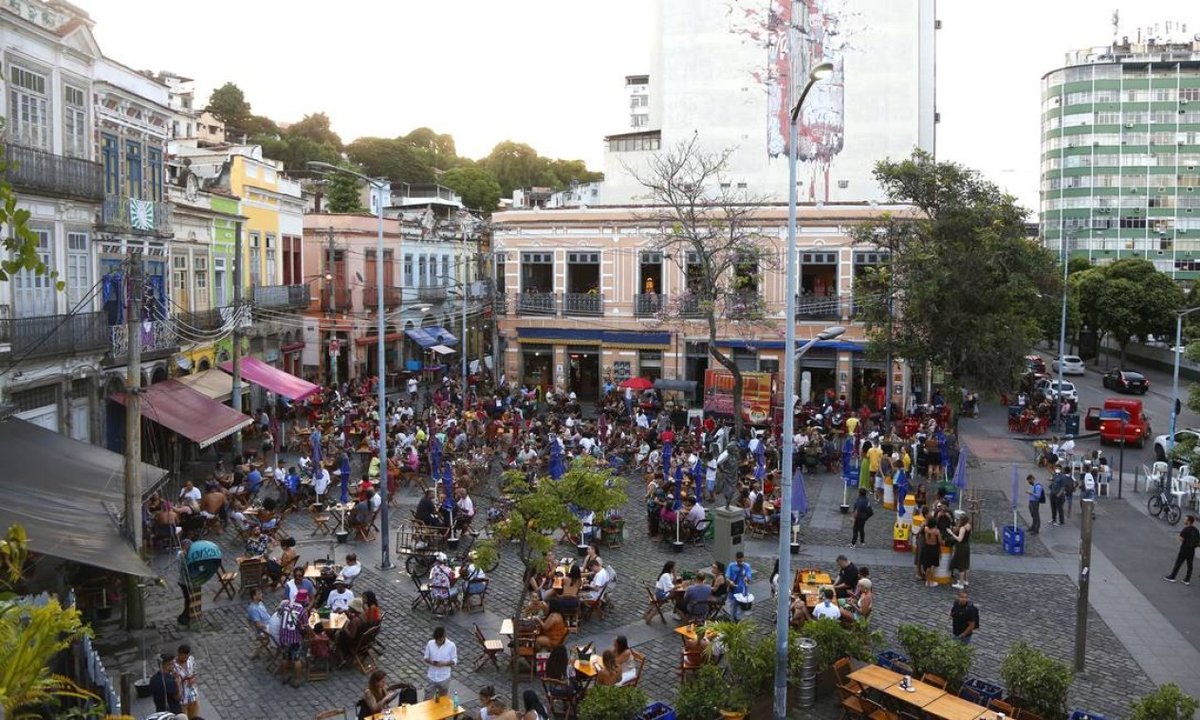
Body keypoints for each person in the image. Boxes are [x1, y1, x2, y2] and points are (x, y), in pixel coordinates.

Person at [278, 590, 309, 687]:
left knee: (285, 657)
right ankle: (297, 679)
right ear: (304, 601)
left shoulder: (286, 606)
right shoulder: (302, 611)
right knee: (297, 659)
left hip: (284, 636)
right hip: (294, 638)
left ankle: (284, 676)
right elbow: (305, 627)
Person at [422, 625, 458, 699]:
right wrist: (431, 662)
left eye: (440, 640)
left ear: (444, 636)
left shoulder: (451, 646)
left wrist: (444, 663)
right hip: (431, 677)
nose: (438, 642)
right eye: (437, 640)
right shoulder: (430, 644)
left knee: (442, 701)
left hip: (444, 678)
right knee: (427, 700)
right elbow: (426, 657)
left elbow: (454, 661)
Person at [1164, 514, 1199, 585]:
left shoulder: (1185, 529)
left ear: (1189, 521)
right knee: (1190, 565)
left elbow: (1181, 539)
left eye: (1185, 519)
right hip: (1191, 550)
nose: (1184, 520)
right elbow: (1198, 542)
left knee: (1178, 563)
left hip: (1184, 549)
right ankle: (1187, 579)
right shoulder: (1196, 530)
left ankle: (1172, 577)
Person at [725, 551, 752, 621]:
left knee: (741, 608)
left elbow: (749, 578)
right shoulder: (731, 566)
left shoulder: (747, 567)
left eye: (741, 561)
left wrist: (746, 578)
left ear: (743, 559)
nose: (740, 562)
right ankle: (732, 621)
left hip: (742, 591)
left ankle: (739, 621)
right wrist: (730, 582)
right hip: (733, 590)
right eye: (738, 561)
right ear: (736, 559)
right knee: (732, 606)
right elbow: (727, 577)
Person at [950, 512, 972, 589]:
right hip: (966, 545)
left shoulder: (962, 528)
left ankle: (961, 584)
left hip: (961, 547)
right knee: (966, 564)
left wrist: (952, 534)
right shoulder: (969, 526)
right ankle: (965, 580)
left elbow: (959, 539)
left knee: (961, 566)